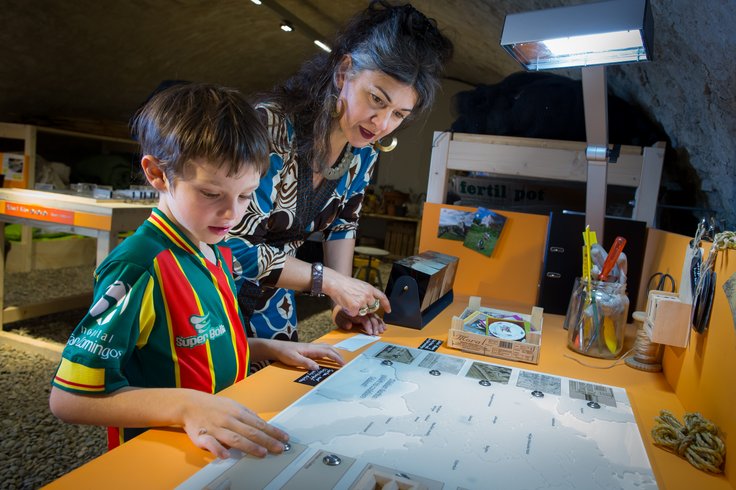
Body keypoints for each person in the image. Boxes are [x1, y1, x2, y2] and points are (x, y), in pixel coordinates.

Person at [48, 83, 344, 459]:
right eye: (210, 194)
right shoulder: (139, 267)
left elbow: (193, 350)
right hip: (156, 457)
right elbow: (69, 398)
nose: (232, 214)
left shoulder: (214, 247)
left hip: (210, 449)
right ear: (157, 173)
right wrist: (187, 407)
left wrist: (265, 347)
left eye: (245, 194)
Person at [225, 0, 453, 344]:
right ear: (344, 72)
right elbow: (231, 250)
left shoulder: (361, 154)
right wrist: (328, 281)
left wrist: (342, 303)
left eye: (399, 115)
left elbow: (343, 226)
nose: (381, 125)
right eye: (376, 99)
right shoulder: (270, 127)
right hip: (210, 303)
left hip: (272, 305)